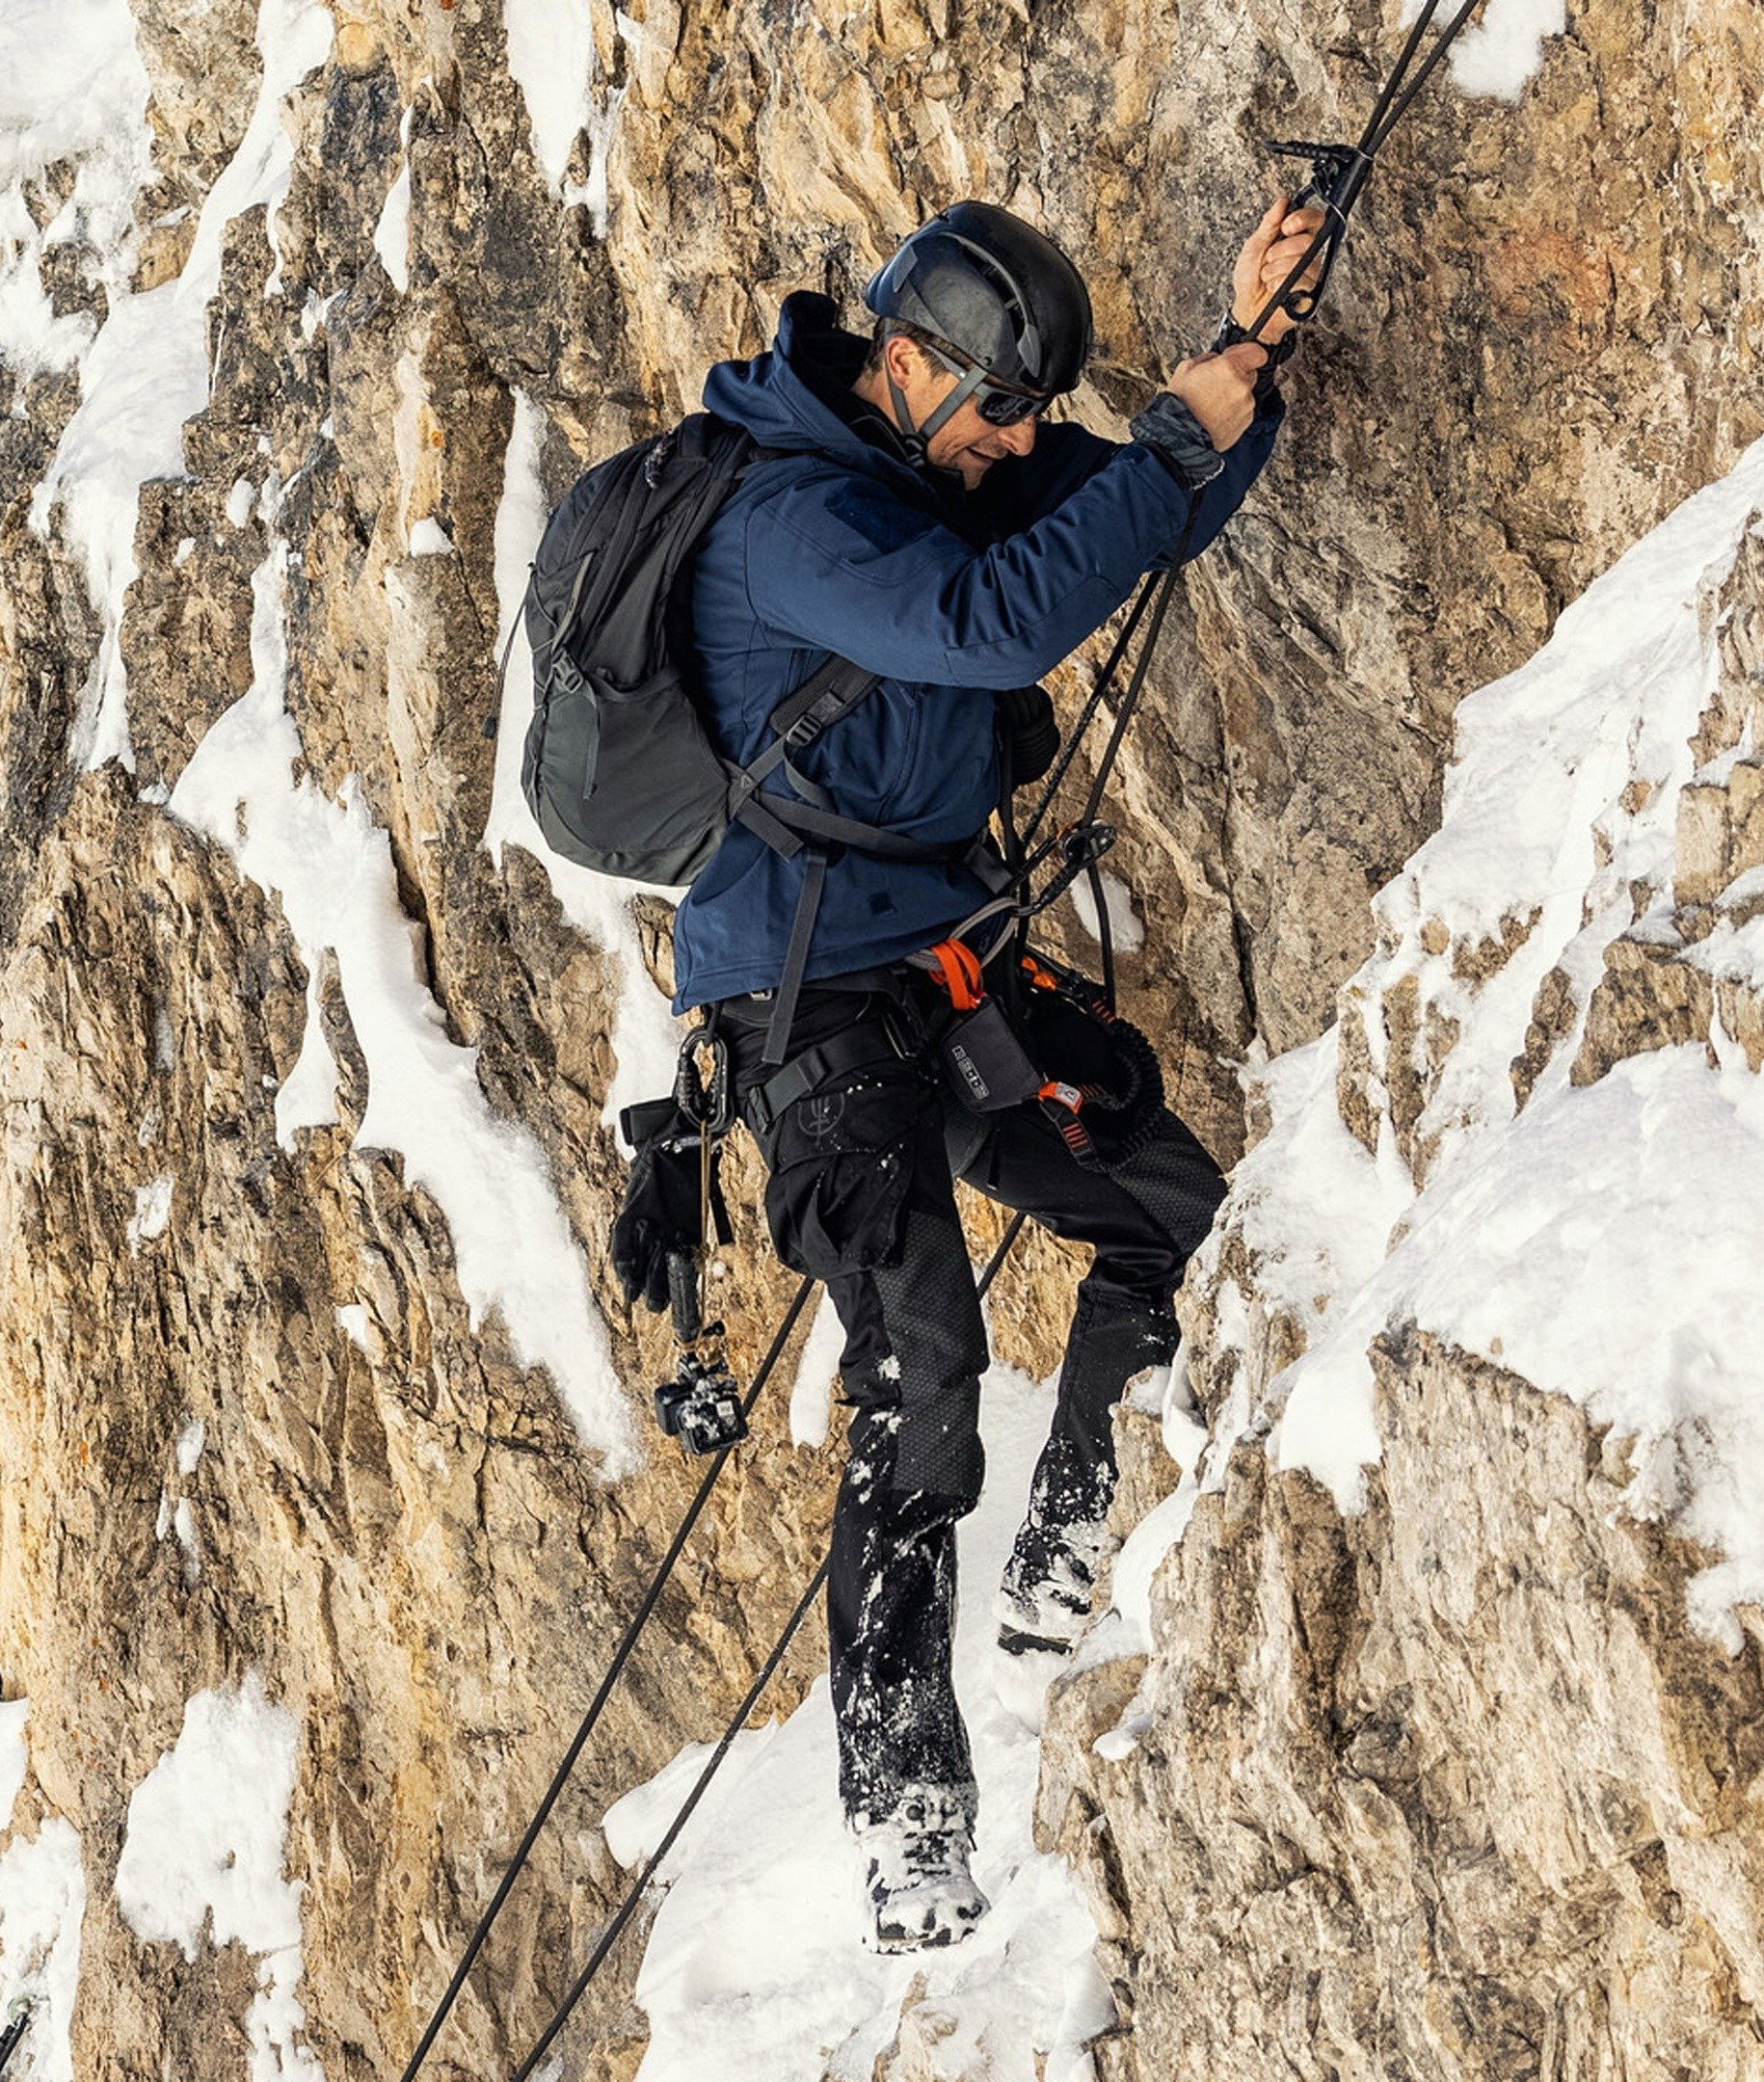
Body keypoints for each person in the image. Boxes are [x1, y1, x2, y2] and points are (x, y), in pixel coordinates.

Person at [670, 197, 1323, 1952]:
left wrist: (1246, 356)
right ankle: (906, 1813)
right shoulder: (791, 519)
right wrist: (1164, 440)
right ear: (909, 362)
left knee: (1175, 1213)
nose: (1025, 446)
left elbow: (1148, 516)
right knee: (922, 1366)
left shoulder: (929, 475)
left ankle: (1067, 1539)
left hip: (936, 965)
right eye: (1008, 410)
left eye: (1033, 419)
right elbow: (991, 626)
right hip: (808, 1000)